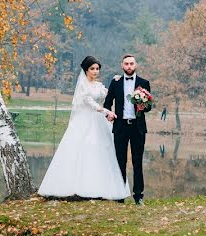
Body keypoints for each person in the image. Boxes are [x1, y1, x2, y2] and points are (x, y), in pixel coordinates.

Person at [37, 56, 129, 200]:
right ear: (86, 70)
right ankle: (77, 187)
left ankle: (102, 188)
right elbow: (89, 102)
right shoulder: (82, 85)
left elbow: (109, 93)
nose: (95, 71)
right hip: (84, 121)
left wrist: (116, 80)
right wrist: (106, 111)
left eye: (97, 69)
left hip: (98, 122)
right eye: (92, 69)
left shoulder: (99, 85)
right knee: (83, 149)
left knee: (103, 151)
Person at [103, 54, 151, 205]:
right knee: (120, 161)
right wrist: (108, 114)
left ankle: (139, 196)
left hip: (138, 128)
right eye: (126, 64)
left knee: (137, 162)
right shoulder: (115, 82)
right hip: (120, 127)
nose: (129, 66)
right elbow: (107, 103)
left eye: (131, 63)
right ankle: (120, 195)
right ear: (122, 65)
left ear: (135, 65)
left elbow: (149, 107)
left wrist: (144, 106)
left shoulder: (144, 83)